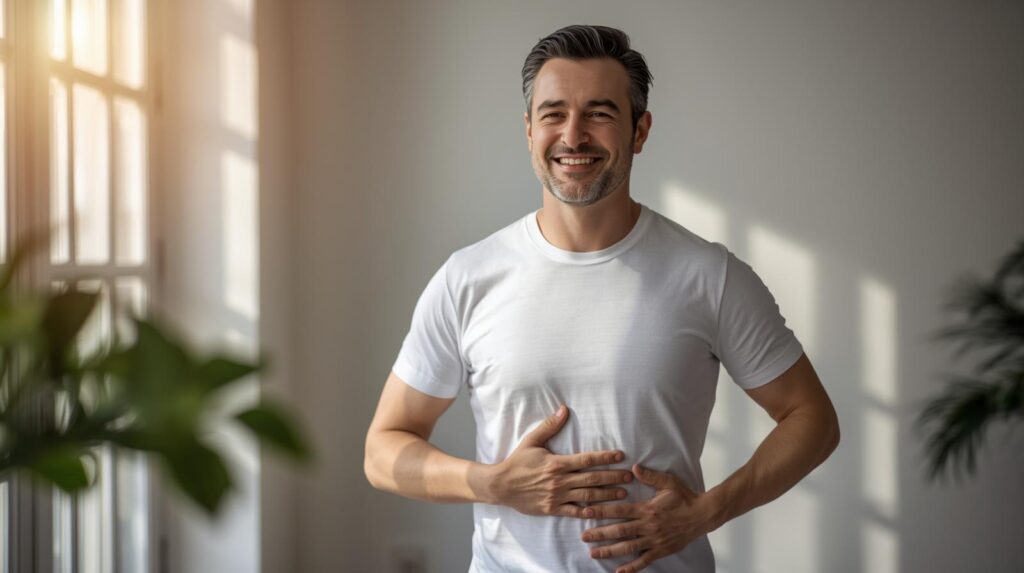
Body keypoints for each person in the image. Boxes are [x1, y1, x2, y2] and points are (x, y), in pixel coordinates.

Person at [364, 24, 840, 573]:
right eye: (553, 113)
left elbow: (813, 419)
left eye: (599, 112)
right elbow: (383, 450)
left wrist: (708, 512)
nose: (573, 135)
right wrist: (490, 483)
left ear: (640, 131)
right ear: (528, 129)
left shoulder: (709, 275)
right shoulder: (467, 278)